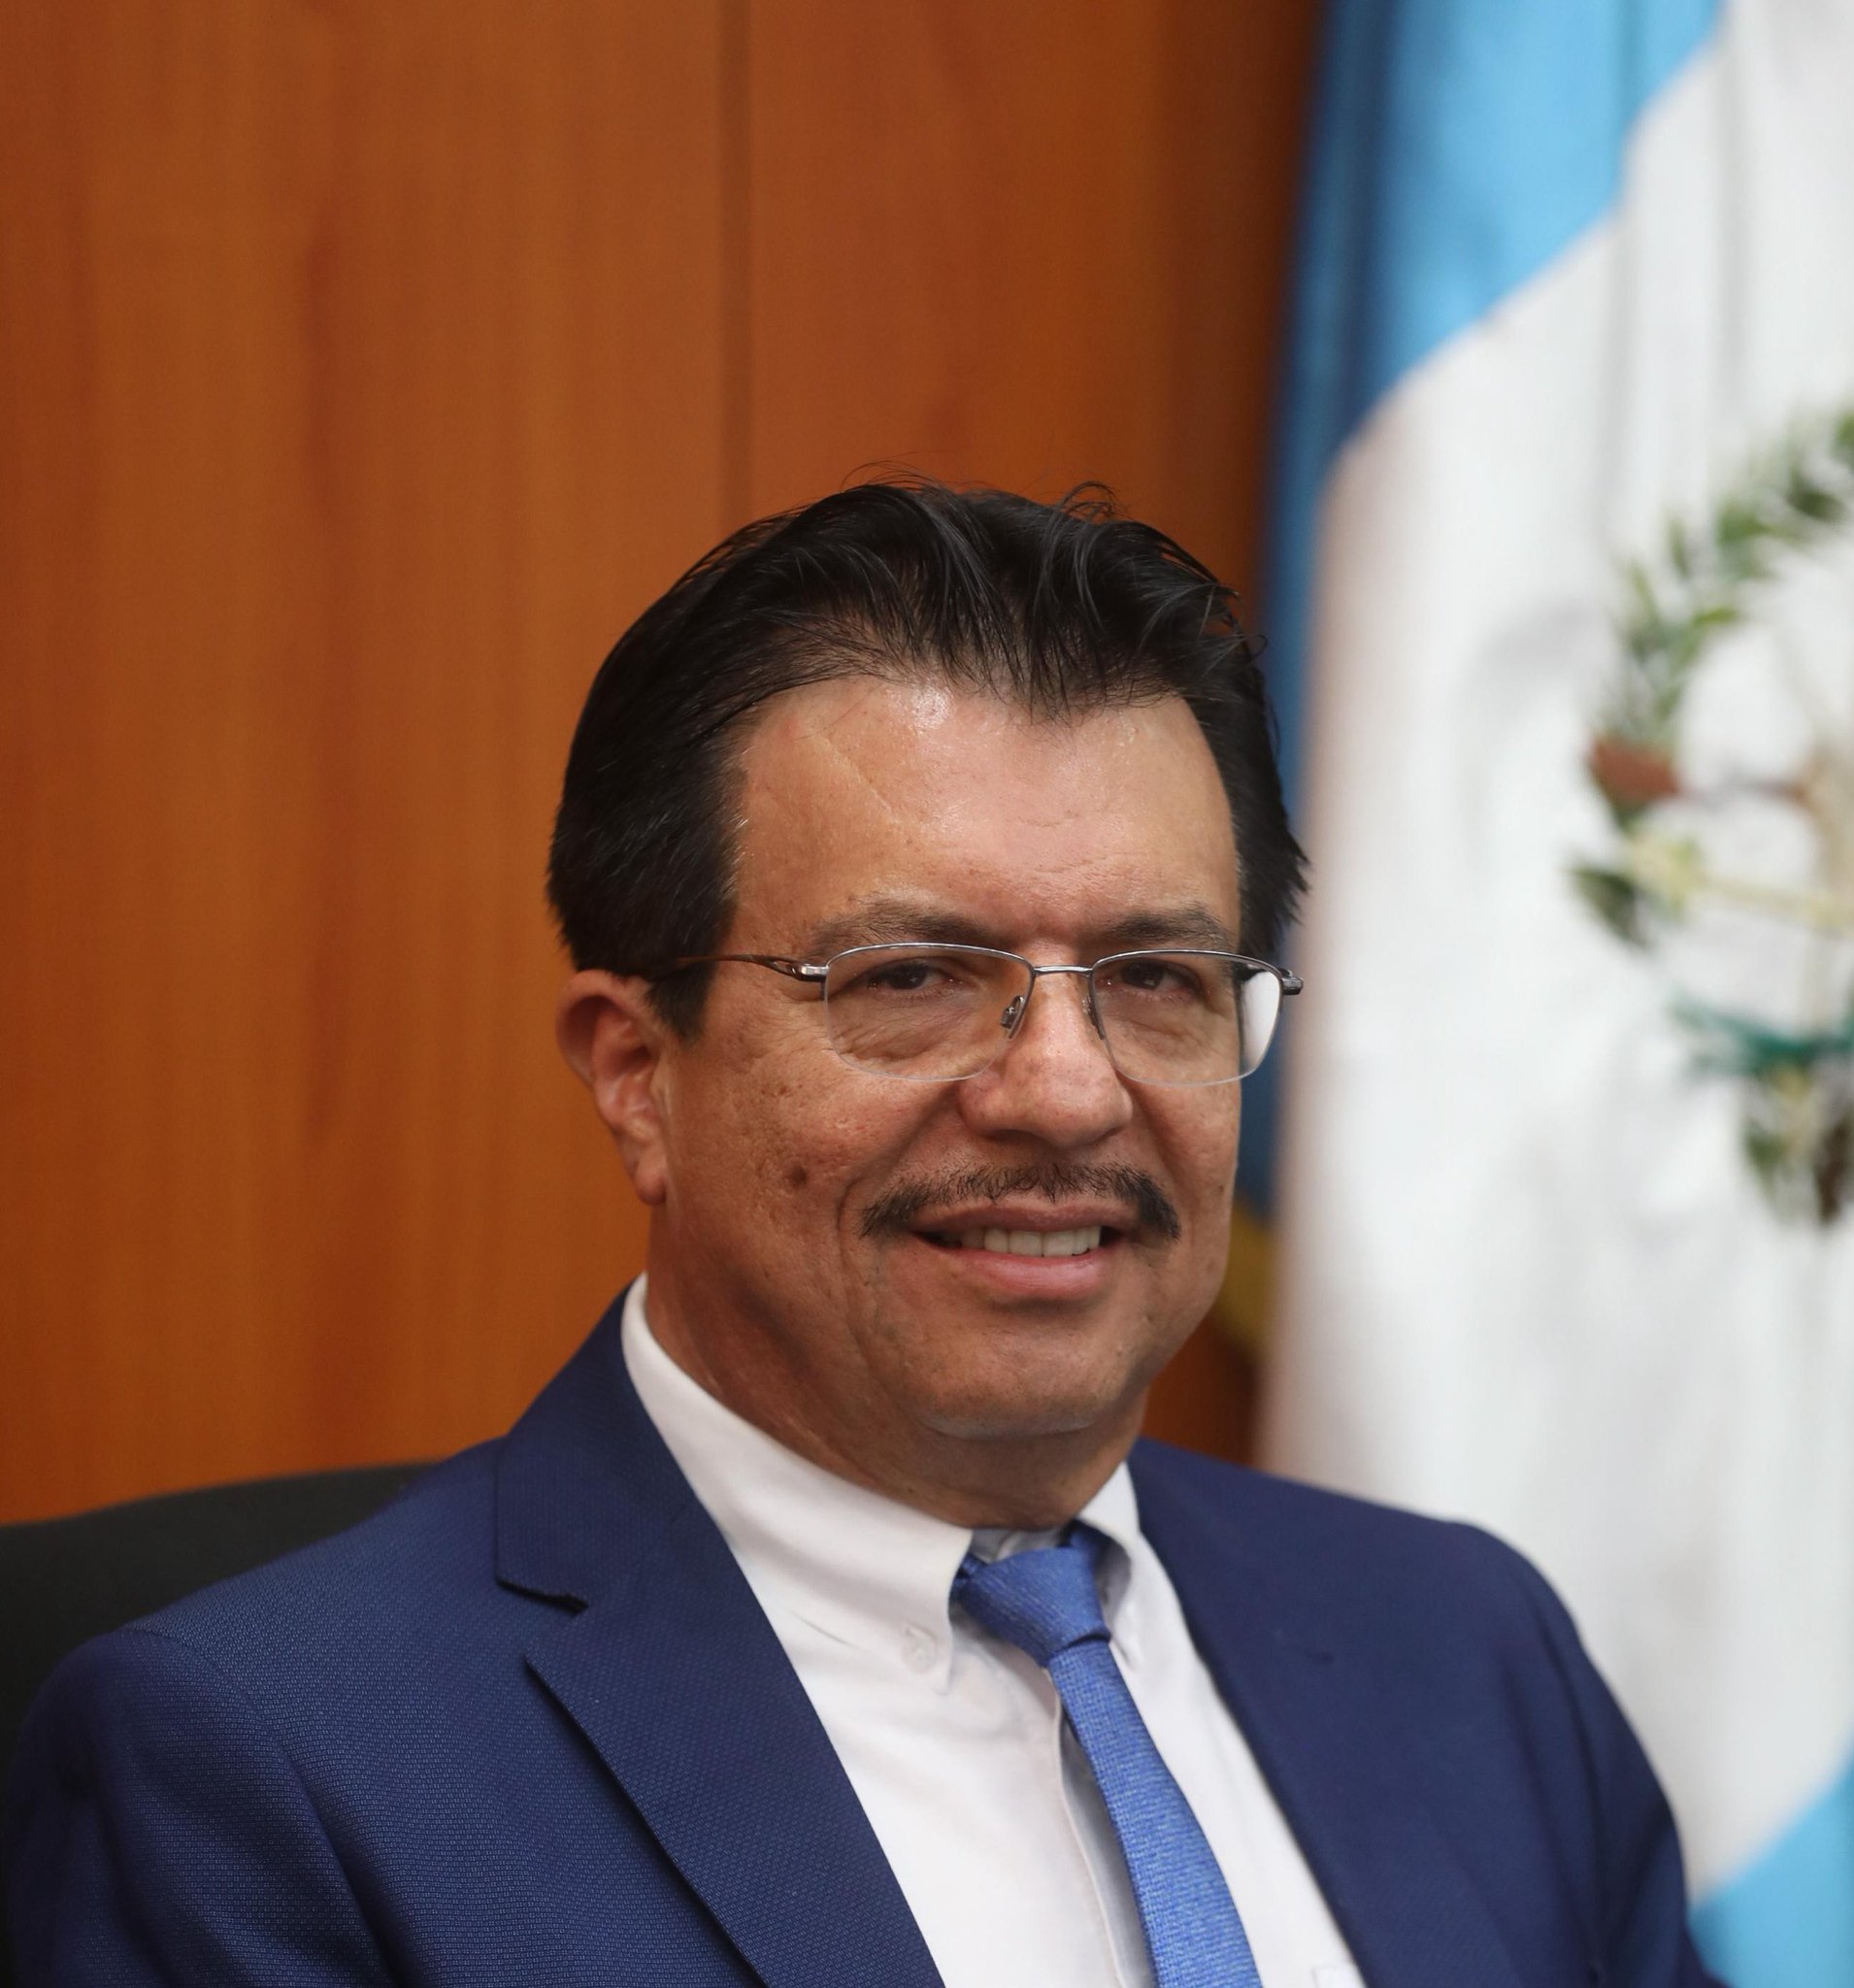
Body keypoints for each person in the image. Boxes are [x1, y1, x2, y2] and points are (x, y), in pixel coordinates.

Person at [4, 483, 1719, 1986]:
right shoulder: (269, 1773)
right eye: (910, 979)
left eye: (1157, 979)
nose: (1068, 1092)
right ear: (636, 1075)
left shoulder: (1467, 1650)